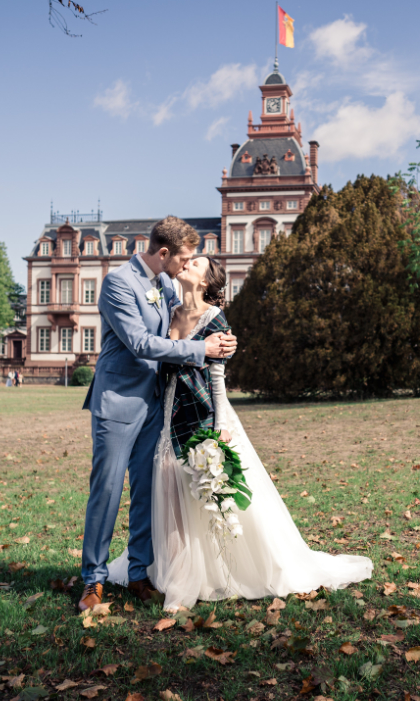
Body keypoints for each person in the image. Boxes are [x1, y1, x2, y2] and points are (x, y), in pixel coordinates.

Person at [106, 256, 373, 612]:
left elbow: (218, 378)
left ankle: (220, 570)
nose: (186, 262)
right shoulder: (168, 311)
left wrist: (220, 427)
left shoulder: (215, 319)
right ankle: (171, 568)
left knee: (208, 493)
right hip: (166, 416)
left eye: (195, 262)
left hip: (203, 413)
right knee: (171, 494)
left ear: (205, 281)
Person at [77, 217, 237, 613]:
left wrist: (221, 336)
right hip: (117, 402)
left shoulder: (165, 283)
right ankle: (93, 581)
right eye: (182, 258)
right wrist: (203, 351)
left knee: (146, 493)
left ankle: (138, 573)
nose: (185, 266)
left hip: (155, 406)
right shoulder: (117, 283)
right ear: (163, 253)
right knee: (108, 491)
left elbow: (188, 316)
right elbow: (140, 343)